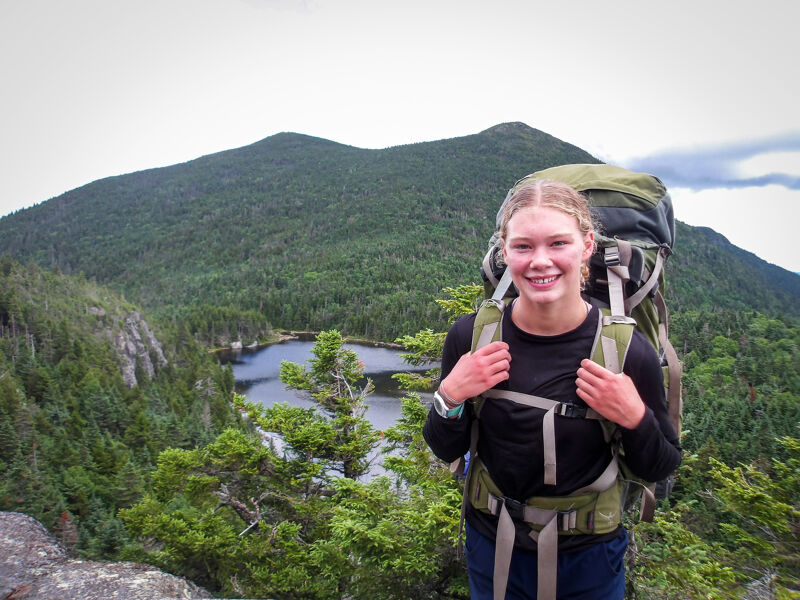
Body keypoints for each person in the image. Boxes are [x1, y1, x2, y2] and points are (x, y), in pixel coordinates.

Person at [423, 179, 681, 600]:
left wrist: (635, 417)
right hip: (492, 544)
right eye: (523, 246)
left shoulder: (624, 352)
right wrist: (451, 395)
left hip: (589, 556)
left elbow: (660, 465)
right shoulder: (473, 336)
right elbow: (443, 445)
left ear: (587, 245)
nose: (540, 261)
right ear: (504, 252)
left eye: (558, 243)